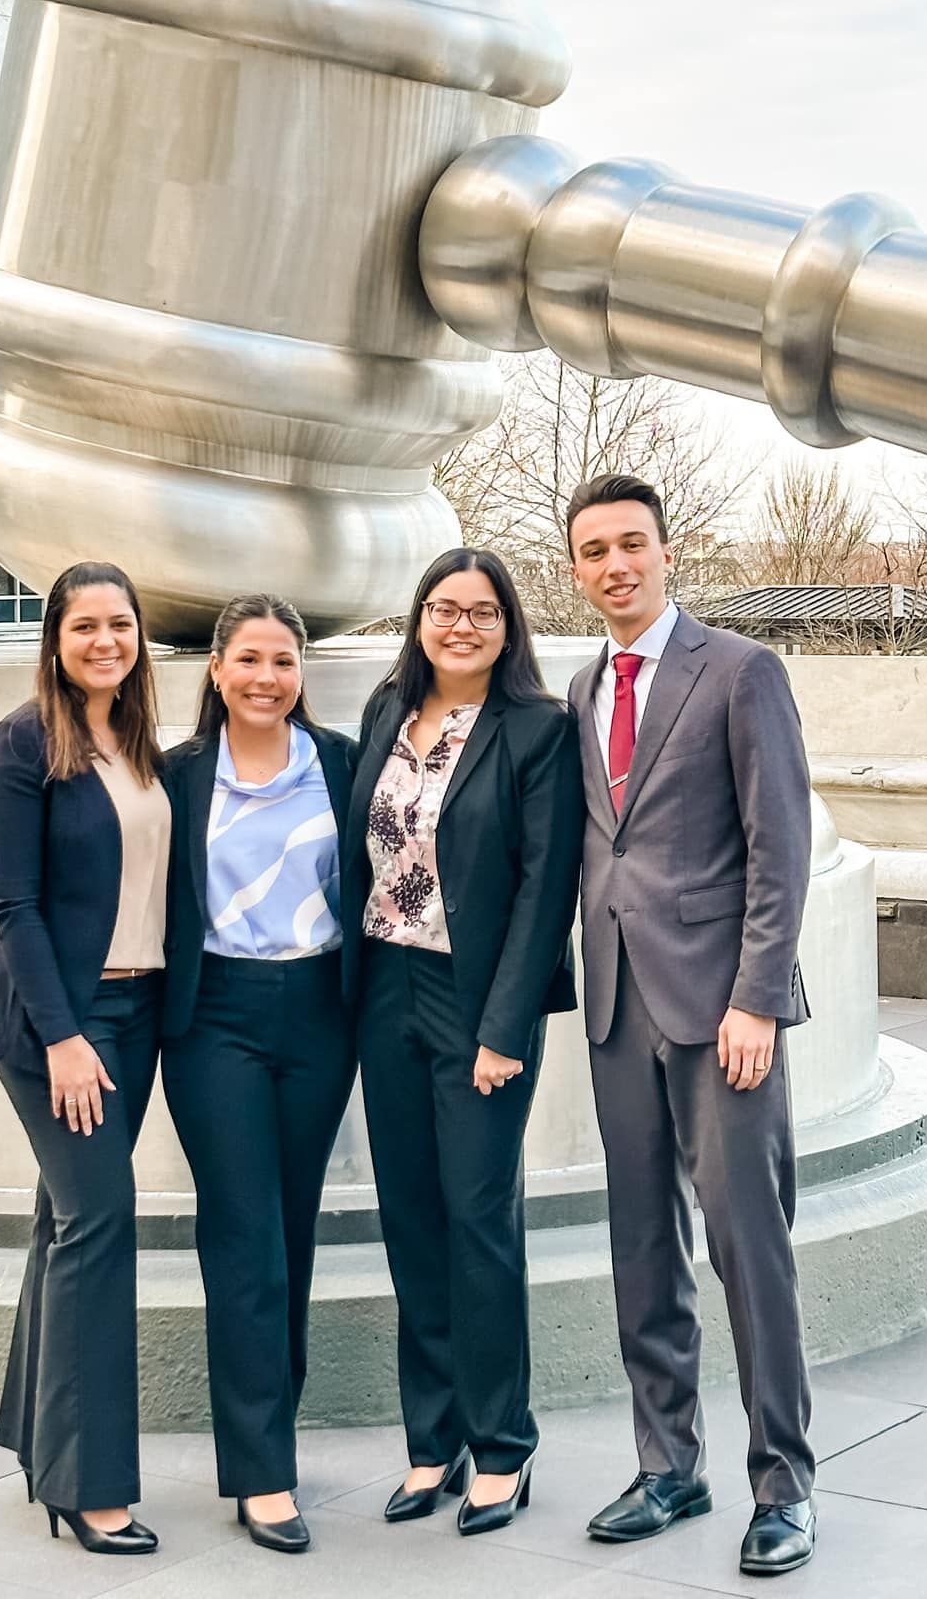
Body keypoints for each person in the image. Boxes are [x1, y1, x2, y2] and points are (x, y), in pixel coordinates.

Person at [565, 474, 817, 1579]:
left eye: (631, 544)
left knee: (745, 1244)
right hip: (618, 1003)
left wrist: (759, 995)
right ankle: (669, 1461)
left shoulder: (741, 671)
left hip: (724, 1011)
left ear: (668, 552)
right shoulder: (580, 687)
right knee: (641, 1244)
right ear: (575, 569)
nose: (614, 564)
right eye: (593, 550)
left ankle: (784, 1482)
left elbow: (782, 843)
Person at [343, 547, 584, 1538]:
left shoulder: (537, 729)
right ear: (419, 616)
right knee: (410, 1220)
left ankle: (502, 1446)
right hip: (383, 988)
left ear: (507, 625)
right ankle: (430, 1441)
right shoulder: (383, 712)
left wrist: (503, 1025)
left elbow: (544, 888)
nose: (460, 625)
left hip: (474, 996)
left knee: (479, 1221)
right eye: (444, 608)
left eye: (482, 611)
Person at [0, 562, 173, 1557]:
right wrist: (61, 1038)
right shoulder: (20, 744)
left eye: (120, 623)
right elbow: (11, 906)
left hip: (136, 1014)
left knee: (65, 1222)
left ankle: (37, 1442)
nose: (105, 639)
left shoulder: (137, 741)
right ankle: (92, 1485)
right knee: (99, 1224)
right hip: (60, 1024)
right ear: (54, 636)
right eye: (84, 624)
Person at [160, 594, 359, 1555]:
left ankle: (271, 1428)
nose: (265, 678)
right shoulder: (178, 775)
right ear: (215, 668)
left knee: (291, 1228)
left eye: (282, 660)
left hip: (320, 1014)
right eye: (248, 659)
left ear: (301, 671)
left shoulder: (343, 763)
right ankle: (263, 1474)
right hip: (217, 1023)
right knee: (242, 1235)